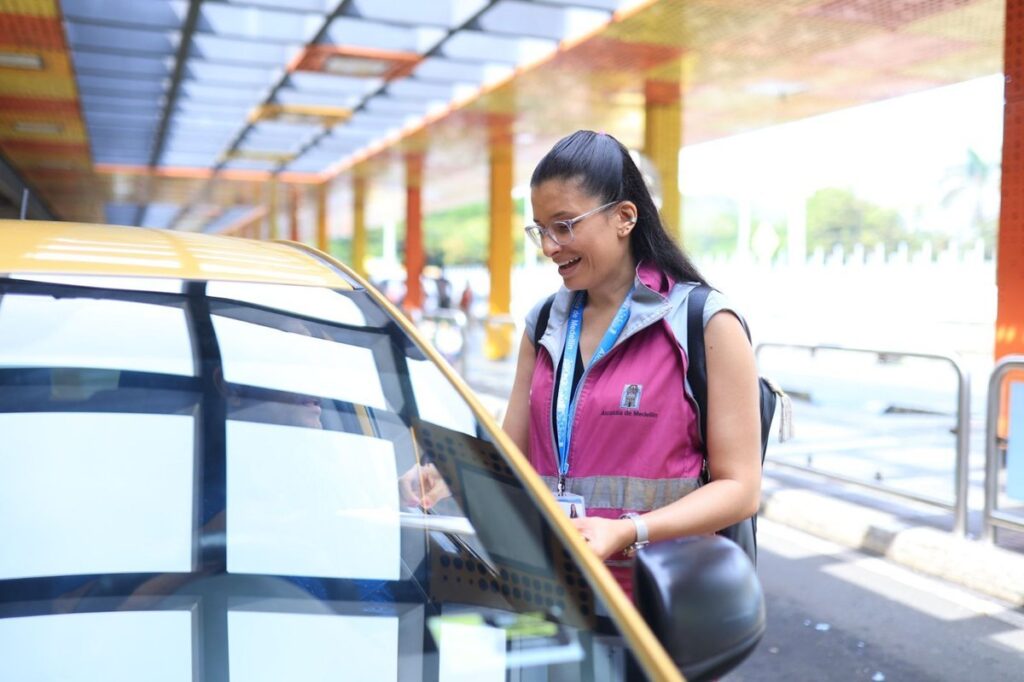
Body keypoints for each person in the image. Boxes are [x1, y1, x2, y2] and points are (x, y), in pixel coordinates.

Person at [501, 130, 762, 596]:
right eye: (540, 229)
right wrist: (444, 475)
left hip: (660, 600)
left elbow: (740, 488)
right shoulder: (543, 323)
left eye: (564, 225)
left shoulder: (704, 323)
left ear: (624, 217)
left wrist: (628, 530)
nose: (549, 247)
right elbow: (511, 455)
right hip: (553, 591)